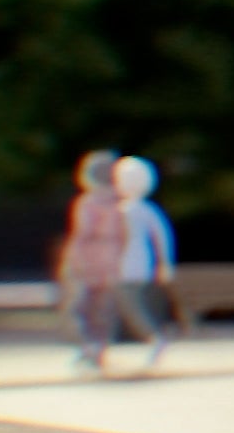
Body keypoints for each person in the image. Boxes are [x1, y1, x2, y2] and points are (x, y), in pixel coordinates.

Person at [57, 150, 125, 372]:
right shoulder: (120, 203)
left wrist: (71, 261)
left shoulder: (87, 203)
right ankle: (100, 348)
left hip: (89, 258)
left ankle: (88, 348)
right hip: (112, 258)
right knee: (103, 308)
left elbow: (82, 233)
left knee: (81, 307)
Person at [113, 155, 177, 365]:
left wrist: (164, 263)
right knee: (121, 303)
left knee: (129, 305)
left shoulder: (134, 210)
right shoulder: (129, 209)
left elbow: (161, 235)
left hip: (130, 267)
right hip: (128, 266)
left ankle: (153, 338)